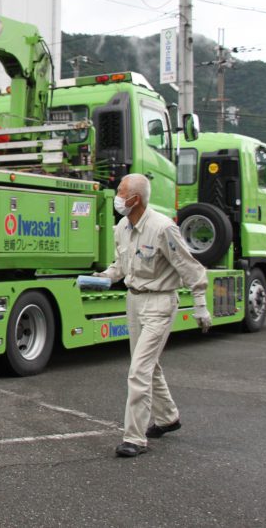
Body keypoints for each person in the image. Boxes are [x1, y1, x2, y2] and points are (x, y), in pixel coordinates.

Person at [94, 173, 211, 458]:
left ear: (135, 199)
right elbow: (120, 266)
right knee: (147, 365)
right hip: (134, 301)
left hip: (160, 303)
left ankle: (134, 438)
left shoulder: (162, 229)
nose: (118, 197)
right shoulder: (122, 226)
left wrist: (200, 305)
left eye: (121, 192)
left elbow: (190, 267)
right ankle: (168, 418)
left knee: (139, 371)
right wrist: (101, 278)